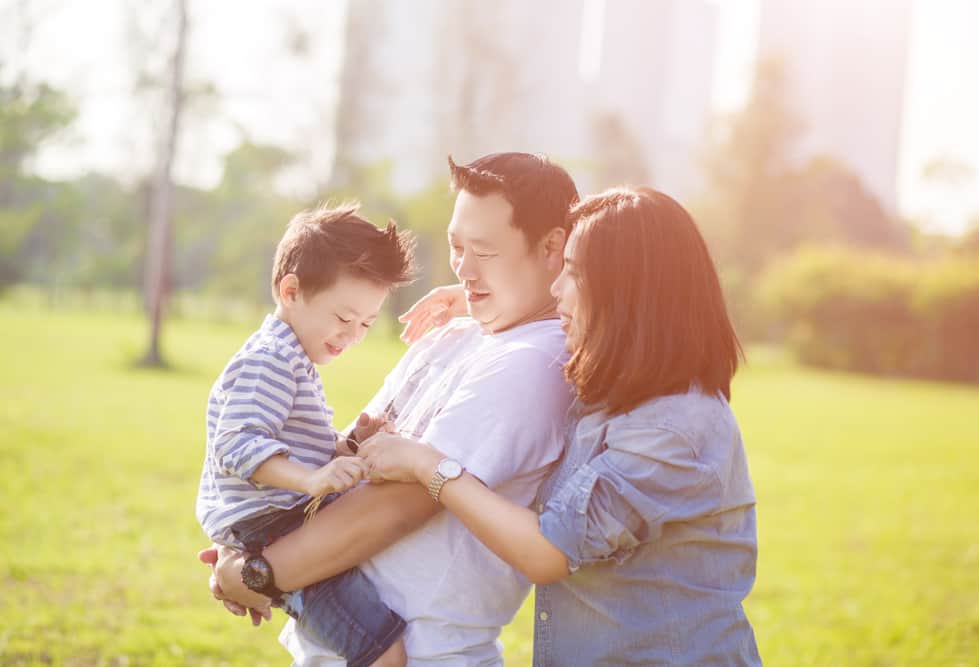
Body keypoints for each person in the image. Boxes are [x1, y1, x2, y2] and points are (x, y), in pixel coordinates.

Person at [202, 152, 582, 666]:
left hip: (423, 653)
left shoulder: (532, 362)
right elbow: (348, 470)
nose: (463, 269)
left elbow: (398, 505)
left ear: (552, 247)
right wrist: (246, 541)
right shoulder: (455, 334)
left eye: (484, 252)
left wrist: (257, 574)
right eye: (455, 247)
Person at [360, 186, 762, 665]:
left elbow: (549, 552)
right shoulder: (616, 386)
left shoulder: (675, 428)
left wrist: (431, 468)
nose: (556, 289)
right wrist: (478, 299)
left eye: (572, 273)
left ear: (626, 291)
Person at [196, 203, 416, 667]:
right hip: (276, 528)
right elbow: (237, 445)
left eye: (366, 325)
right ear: (290, 290)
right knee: (383, 654)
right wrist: (312, 481)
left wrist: (348, 444)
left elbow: (295, 443)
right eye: (343, 318)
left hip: (279, 523)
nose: (352, 335)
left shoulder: (293, 354)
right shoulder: (272, 358)